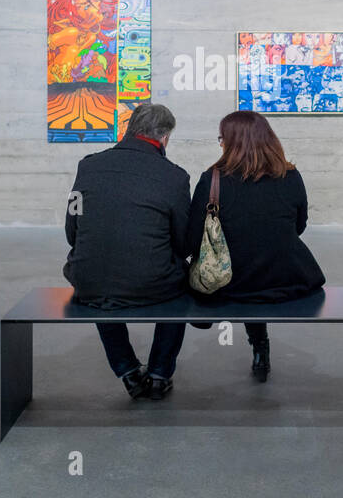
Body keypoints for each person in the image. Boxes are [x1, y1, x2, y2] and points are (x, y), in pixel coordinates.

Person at [63, 103, 192, 400]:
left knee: (98, 277)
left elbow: (73, 228)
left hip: (88, 281)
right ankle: (159, 373)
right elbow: (184, 243)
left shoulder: (88, 165)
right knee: (183, 284)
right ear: (165, 137)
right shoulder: (174, 177)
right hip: (152, 284)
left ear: (130, 128)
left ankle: (128, 371)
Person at [185, 110, 326, 382]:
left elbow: (193, 238)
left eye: (221, 138)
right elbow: (299, 225)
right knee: (254, 266)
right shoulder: (291, 176)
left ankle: (161, 370)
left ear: (230, 142)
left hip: (231, 284)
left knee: (223, 272)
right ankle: (260, 347)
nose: (221, 143)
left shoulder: (212, 179)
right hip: (286, 281)